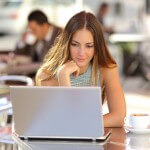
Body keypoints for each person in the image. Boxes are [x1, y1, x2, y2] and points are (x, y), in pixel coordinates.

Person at [36, 11, 126, 127]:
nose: (81, 53)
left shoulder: (106, 70)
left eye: (89, 46)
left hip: (92, 140)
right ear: (67, 44)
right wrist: (63, 76)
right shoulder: (46, 75)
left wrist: (81, 123)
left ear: (97, 46)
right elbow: (59, 123)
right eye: (75, 44)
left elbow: (119, 117)